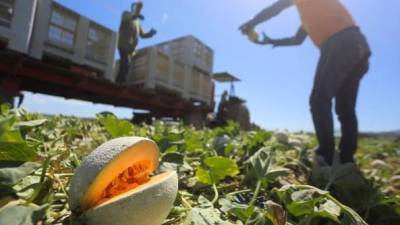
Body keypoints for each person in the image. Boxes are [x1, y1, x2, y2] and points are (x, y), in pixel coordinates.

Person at [240, 0, 371, 165]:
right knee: (345, 110)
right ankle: (346, 159)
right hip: (359, 47)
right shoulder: (307, 17)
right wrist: (271, 41)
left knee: (319, 100)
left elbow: (276, 7)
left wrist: (251, 23)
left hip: (340, 42)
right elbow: (296, 40)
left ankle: (325, 156)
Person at [116, 1, 157, 83]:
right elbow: (126, 18)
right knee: (126, 64)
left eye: (140, 9)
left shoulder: (138, 23)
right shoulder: (126, 13)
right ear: (133, 8)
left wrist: (151, 33)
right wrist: (136, 15)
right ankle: (119, 83)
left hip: (131, 48)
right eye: (138, 8)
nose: (139, 10)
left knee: (126, 65)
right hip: (123, 44)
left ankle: (119, 81)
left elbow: (142, 35)